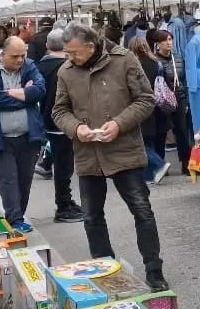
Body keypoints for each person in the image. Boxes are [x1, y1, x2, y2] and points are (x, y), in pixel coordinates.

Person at [50, 22, 168, 291]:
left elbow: (145, 99)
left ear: (91, 47)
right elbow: (59, 111)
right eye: (67, 53)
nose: (70, 57)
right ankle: (105, 269)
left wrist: (118, 123)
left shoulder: (124, 60)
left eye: (75, 52)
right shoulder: (66, 72)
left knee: (142, 211)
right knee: (91, 216)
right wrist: (76, 128)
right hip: (88, 154)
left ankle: (154, 269)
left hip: (124, 150)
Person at [0, 36, 47, 234]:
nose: (19, 60)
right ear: (3, 54)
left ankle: (18, 216)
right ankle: (14, 219)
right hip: (0, 137)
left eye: (22, 56)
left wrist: (10, 92)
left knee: (24, 179)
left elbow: (40, 90)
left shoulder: (29, 66)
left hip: (28, 135)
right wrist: (24, 96)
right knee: (8, 179)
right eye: (15, 56)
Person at [33, 28, 87, 222]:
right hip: (64, 122)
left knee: (61, 164)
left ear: (47, 46)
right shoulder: (67, 68)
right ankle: (63, 205)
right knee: (64, 166)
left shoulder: (37, 67)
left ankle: (65, 202)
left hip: (45, 120)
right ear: (65, 46)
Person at [129, 36, 173, 184]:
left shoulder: (133, 65)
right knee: (152, 140)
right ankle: (149, 175)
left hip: (141, 106)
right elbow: (165, 83)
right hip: (158, 106)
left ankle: (159, 164)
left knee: (141, 141)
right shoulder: (157, 63)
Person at [152, 29, 192, 175]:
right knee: (161, 132)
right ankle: (160, 165)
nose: (169, 43)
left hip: (179, 97)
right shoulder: (154, 61)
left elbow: (183, 79)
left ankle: (186, 163)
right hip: (163, 101)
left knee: (182, 129)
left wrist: (185, 99)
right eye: (165, 40)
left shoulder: (178, 57)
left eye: (170, 39)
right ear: (158, 44)